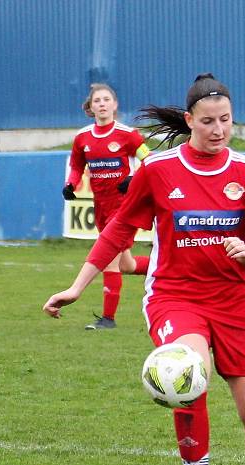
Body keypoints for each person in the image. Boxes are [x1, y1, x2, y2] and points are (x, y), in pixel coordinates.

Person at [45, 74, 245, 465]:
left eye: (226, 121)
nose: (218, 130)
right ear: (189, 120)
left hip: (237, 301)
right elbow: (118, 229)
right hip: (175, 297)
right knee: (186, 372)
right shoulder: (159, 171)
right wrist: (77, 286)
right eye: (208, 121)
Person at [63, 83, 152, 330]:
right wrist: (71, 183)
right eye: (97, 101)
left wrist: (134, 179)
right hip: (100, 206)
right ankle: (163, 266)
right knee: (127, 265)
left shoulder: (128, 134)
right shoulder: (83, 138)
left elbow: (150, 161)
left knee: (110, 260)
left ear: (115, 104)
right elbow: (76, 166)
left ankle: (108, 319)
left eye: (106, 99)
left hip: (125, 207)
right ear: (90, 108)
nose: (102, 104)